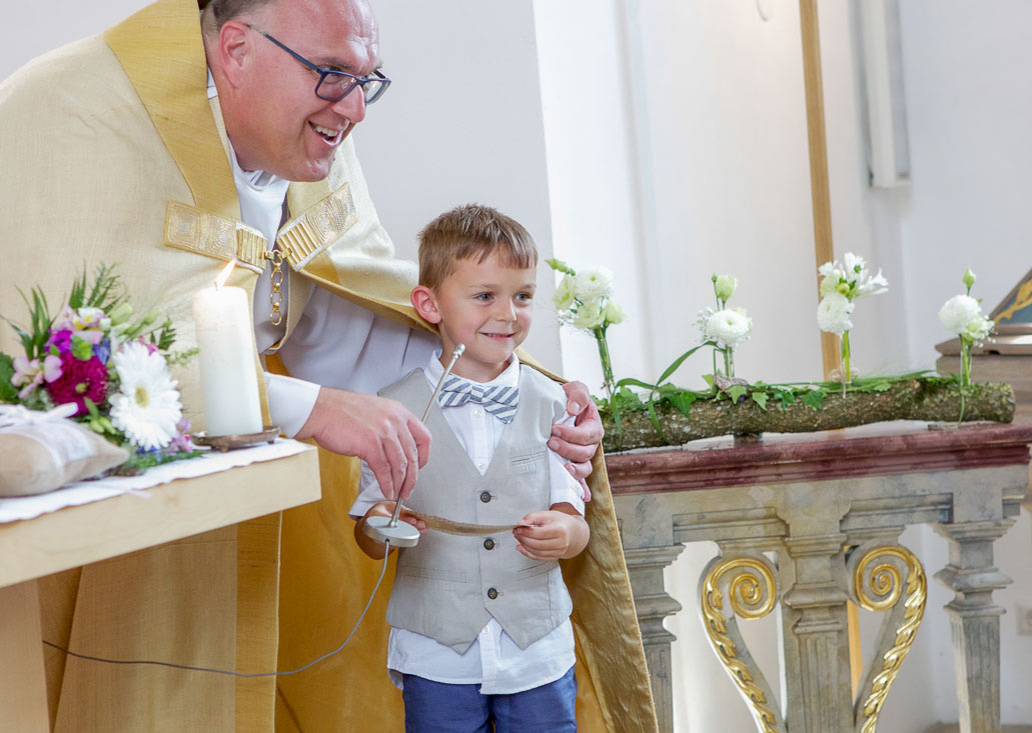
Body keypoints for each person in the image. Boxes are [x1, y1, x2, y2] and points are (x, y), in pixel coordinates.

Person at [0, 0, 655, 729]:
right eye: (333, 74)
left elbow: (343, 304)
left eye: (367, 80)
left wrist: (525, 393)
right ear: (238, 50)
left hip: (292, 503)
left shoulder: (311, 120)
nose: (354, 109)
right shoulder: (71, 111)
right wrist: (313, 407)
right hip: (118, 506)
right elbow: (87, 355)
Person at [351, 205, 588, 731]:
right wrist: (380, 523)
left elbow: (575, 516)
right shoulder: (392, 409)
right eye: (485, 296)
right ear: (429, 304)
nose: (508, 314)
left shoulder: (555, 403)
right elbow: (367, 533)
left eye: (523, 296)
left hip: (536, 649)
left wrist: (566, 533)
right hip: (436, 651)